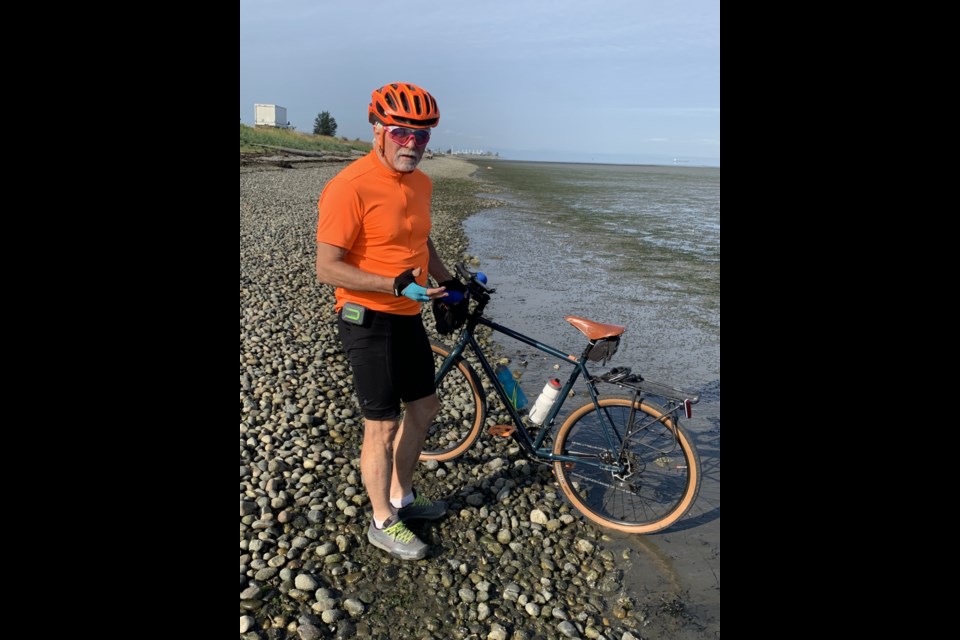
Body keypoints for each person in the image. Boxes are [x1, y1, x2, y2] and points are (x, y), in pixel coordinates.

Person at [315, 82, 464, 560]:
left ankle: (402, 499)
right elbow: (326, 267)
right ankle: (382, 521)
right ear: (378, 130)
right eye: (401, 133)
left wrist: (453, 281)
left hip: (407, 315)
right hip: (366, 317)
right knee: (380, 425)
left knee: (425, 408)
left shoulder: (422, 182)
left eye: (421, 136)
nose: (412, 145)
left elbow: (421, 242)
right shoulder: (349, 186)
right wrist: (395, 284)